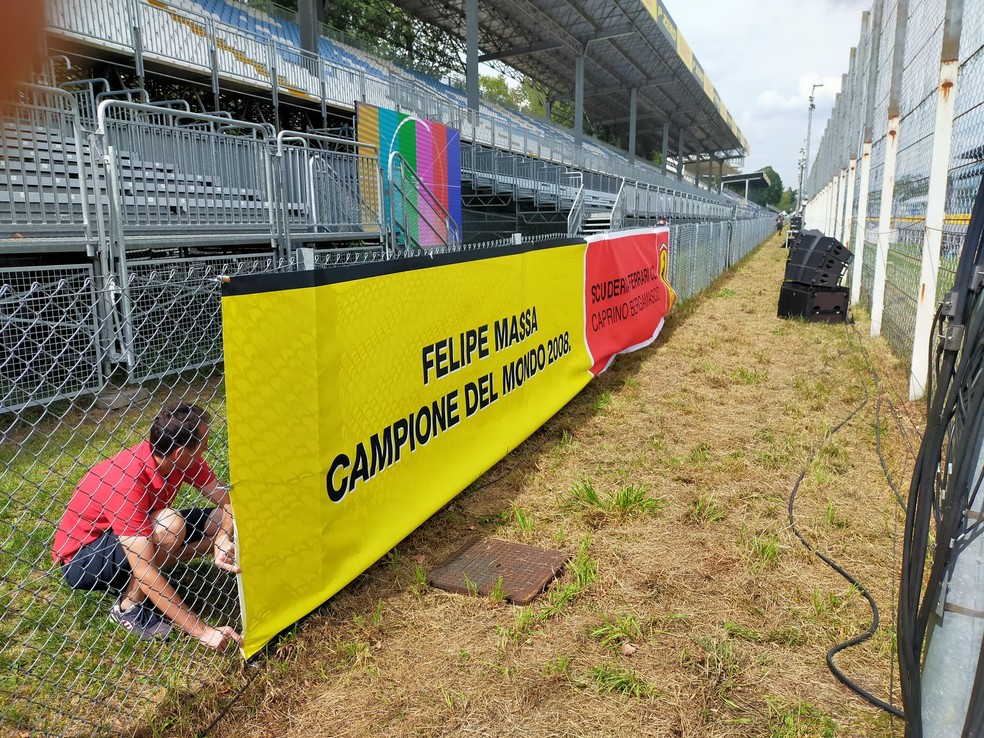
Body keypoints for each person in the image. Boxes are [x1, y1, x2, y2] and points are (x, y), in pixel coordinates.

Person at [52, 402, 242, 651]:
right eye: (202, 447)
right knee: (170, 525)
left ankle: (154, 591)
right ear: (179, 453)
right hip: (83, 558)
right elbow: (144, 569)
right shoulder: (126, 479)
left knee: (220, 521)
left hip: (135, 530)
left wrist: (220, 540)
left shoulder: (182, 459)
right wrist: (202, 631)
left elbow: (228, 504)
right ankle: (127, 609)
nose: (204, 452)